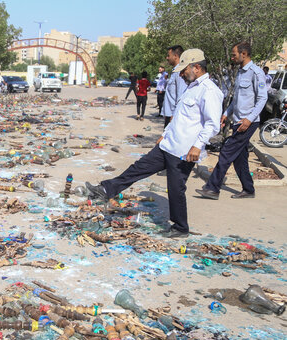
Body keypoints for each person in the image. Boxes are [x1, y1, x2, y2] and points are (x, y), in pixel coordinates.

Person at [86, 49, 223, 238]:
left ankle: (181, 227)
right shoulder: (191, 87)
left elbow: (212, 124)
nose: (182, 74)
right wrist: (165, 134)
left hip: (183, 151)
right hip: (167, 145)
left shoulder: (210, 91)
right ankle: (106, 189)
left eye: (185, 70)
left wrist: (198, 145)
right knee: (138, 167)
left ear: (197, 67)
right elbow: (179, 118)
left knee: (176, 189)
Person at [196, 42, 268, 200]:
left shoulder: (256, 73)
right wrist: (226, 113)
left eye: (234, 54)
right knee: (239, 158)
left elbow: (263, 98)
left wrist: (249, 119)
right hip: (237, 121)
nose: (232, 57)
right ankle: (248, 189)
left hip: (247, 122)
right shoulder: (241, 72)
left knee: (226, 152)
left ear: (244, 54)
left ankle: (212, 188)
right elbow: (237, 100)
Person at [161, 45, 188, 128]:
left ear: (175, 56)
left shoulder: (180, 72)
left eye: (169, 56)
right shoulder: (174, 71)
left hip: (174, 116)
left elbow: (181, 96)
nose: (167, 58)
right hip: (169, 115)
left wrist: (175, 115)